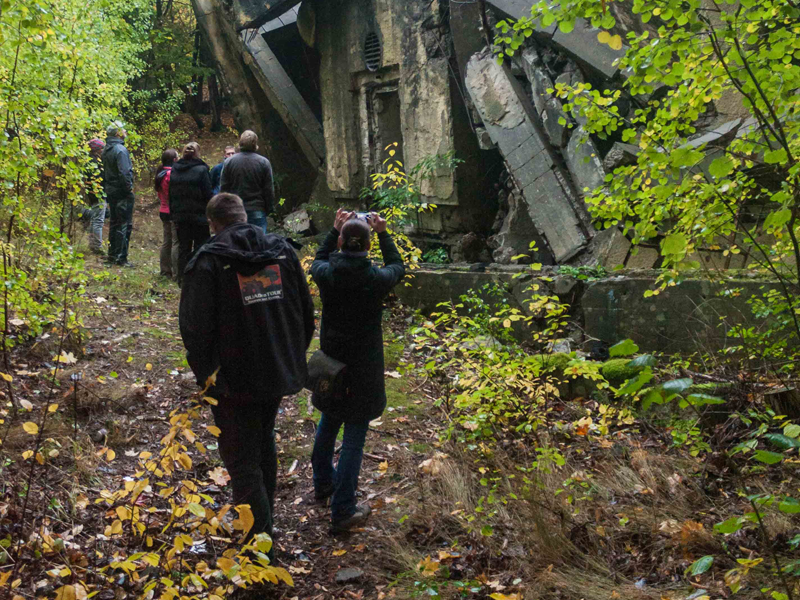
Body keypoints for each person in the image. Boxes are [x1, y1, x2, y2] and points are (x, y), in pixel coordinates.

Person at [179, 192, 315, 556]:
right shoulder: (283, 253)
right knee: (260, 443)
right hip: (273, 372)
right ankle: (263, 530)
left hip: (233, 382)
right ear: (244, 216)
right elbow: (307, 312)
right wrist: (288, 357)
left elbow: (194, 330)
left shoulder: (207, 262)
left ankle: (258, 551)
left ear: (213, 224)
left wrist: (209, 378)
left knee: (241, 460)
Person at [310, 209, 405, 532]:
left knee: (328, 421)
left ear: (340, 242)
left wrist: (333, 230)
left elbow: (316, 261)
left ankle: (323, 483)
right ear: (368, 246)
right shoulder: (374, 279)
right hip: (363, 369)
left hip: (332, 364)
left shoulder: (327, 273)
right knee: (353, 437)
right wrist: (383, 232)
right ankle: (343, 510)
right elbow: (398, 267)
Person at [168, 142, 213, 285]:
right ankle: (200, 277)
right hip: (199, 215)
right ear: (198, 153)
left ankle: (182, 278)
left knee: (183, 247)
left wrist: (173, 213)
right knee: (201, 246)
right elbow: (208, 194)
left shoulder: (175, 169)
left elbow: (171, 193)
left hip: (181, 215)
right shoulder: (201, 170)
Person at [219, 131, 274, 232]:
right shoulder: (263, 162)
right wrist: (269, 208)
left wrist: (225, 208)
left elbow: (224, 188)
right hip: (257, 209)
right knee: (257, 243)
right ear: (255, 144)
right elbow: (268, 189)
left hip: (235, 210)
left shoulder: (229, 162)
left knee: (238, 244)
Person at [102, 122, 135, 267]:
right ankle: (121, 258)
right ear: (117, 134)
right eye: (123, 129)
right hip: (121, 192)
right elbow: (124, 173)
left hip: (111, 190)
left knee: (114, 222)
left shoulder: (106, 149)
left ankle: (112, 255)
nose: (125, 131)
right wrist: (129, 189)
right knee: (123, 224)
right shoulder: (120, 150)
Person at [155, 149, 179, 279]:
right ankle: (176, 272)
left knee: (166, 241)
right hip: (172, 211)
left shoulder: (160, 173)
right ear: (174, 160)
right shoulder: (171, 174)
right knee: (176, 242)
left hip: (163, 210)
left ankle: (165, 270)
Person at [85, 138, 106, 255]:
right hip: (98, 194)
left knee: (95, 219)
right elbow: (100, 180)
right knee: (98, 220)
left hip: (92, 194)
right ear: (97, 150)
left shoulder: (89, 161)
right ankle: (97, 247)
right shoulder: (95, 163)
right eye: (101, 148)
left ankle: (93, 245)